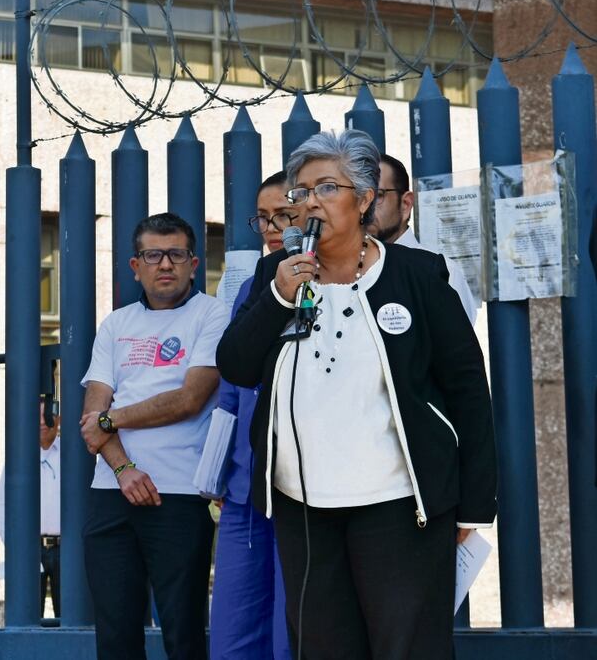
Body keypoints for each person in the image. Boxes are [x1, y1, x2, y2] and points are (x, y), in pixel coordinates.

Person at [216, 129, 497, 660]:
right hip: (304, 506)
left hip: (399, 505)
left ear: (365, 199)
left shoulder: (417, 275)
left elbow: (467, 390)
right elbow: (236, 365)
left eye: (326, 188)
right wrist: (279, 297)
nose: (309, 203)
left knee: (407, 647)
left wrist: (475, 506)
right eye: (301, 191)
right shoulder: (273, 274)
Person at [80, 212, 230, 660]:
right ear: (135, 266)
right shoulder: (115, 324)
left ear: (194, 264)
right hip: (111, 492)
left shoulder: (213, 314)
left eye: (176, 254)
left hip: (178, 494)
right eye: (153, 255)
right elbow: (92, 414)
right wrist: (124, 469)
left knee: (183, 634)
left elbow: (189, 399)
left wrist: (110, 421)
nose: (165, 264)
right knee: (115, 636)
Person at [210, 171, 293, 660]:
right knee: (232, 630)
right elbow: (229, 390)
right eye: (262, 218)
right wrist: (218, 471)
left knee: (289, 628)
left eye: (282, 215)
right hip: (243, 488)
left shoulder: (328, 282)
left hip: (297, 489)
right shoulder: (250, 287)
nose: (271, 228)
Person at [368, 153, 478, 323]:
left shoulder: (441, 272)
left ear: (405, 204)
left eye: (377, 195)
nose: (365, 206)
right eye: (357, 196)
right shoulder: (342, 272)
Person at [0, 401, 62, 617]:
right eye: (36, 416)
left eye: (46, 415)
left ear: (58, 418)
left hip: (67, 549)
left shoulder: (71, 456)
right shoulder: (19, 458)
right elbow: (0, 505)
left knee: (70, 619)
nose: (41, 422)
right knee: (27, 616)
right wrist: (15, 544)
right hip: (29, 548)